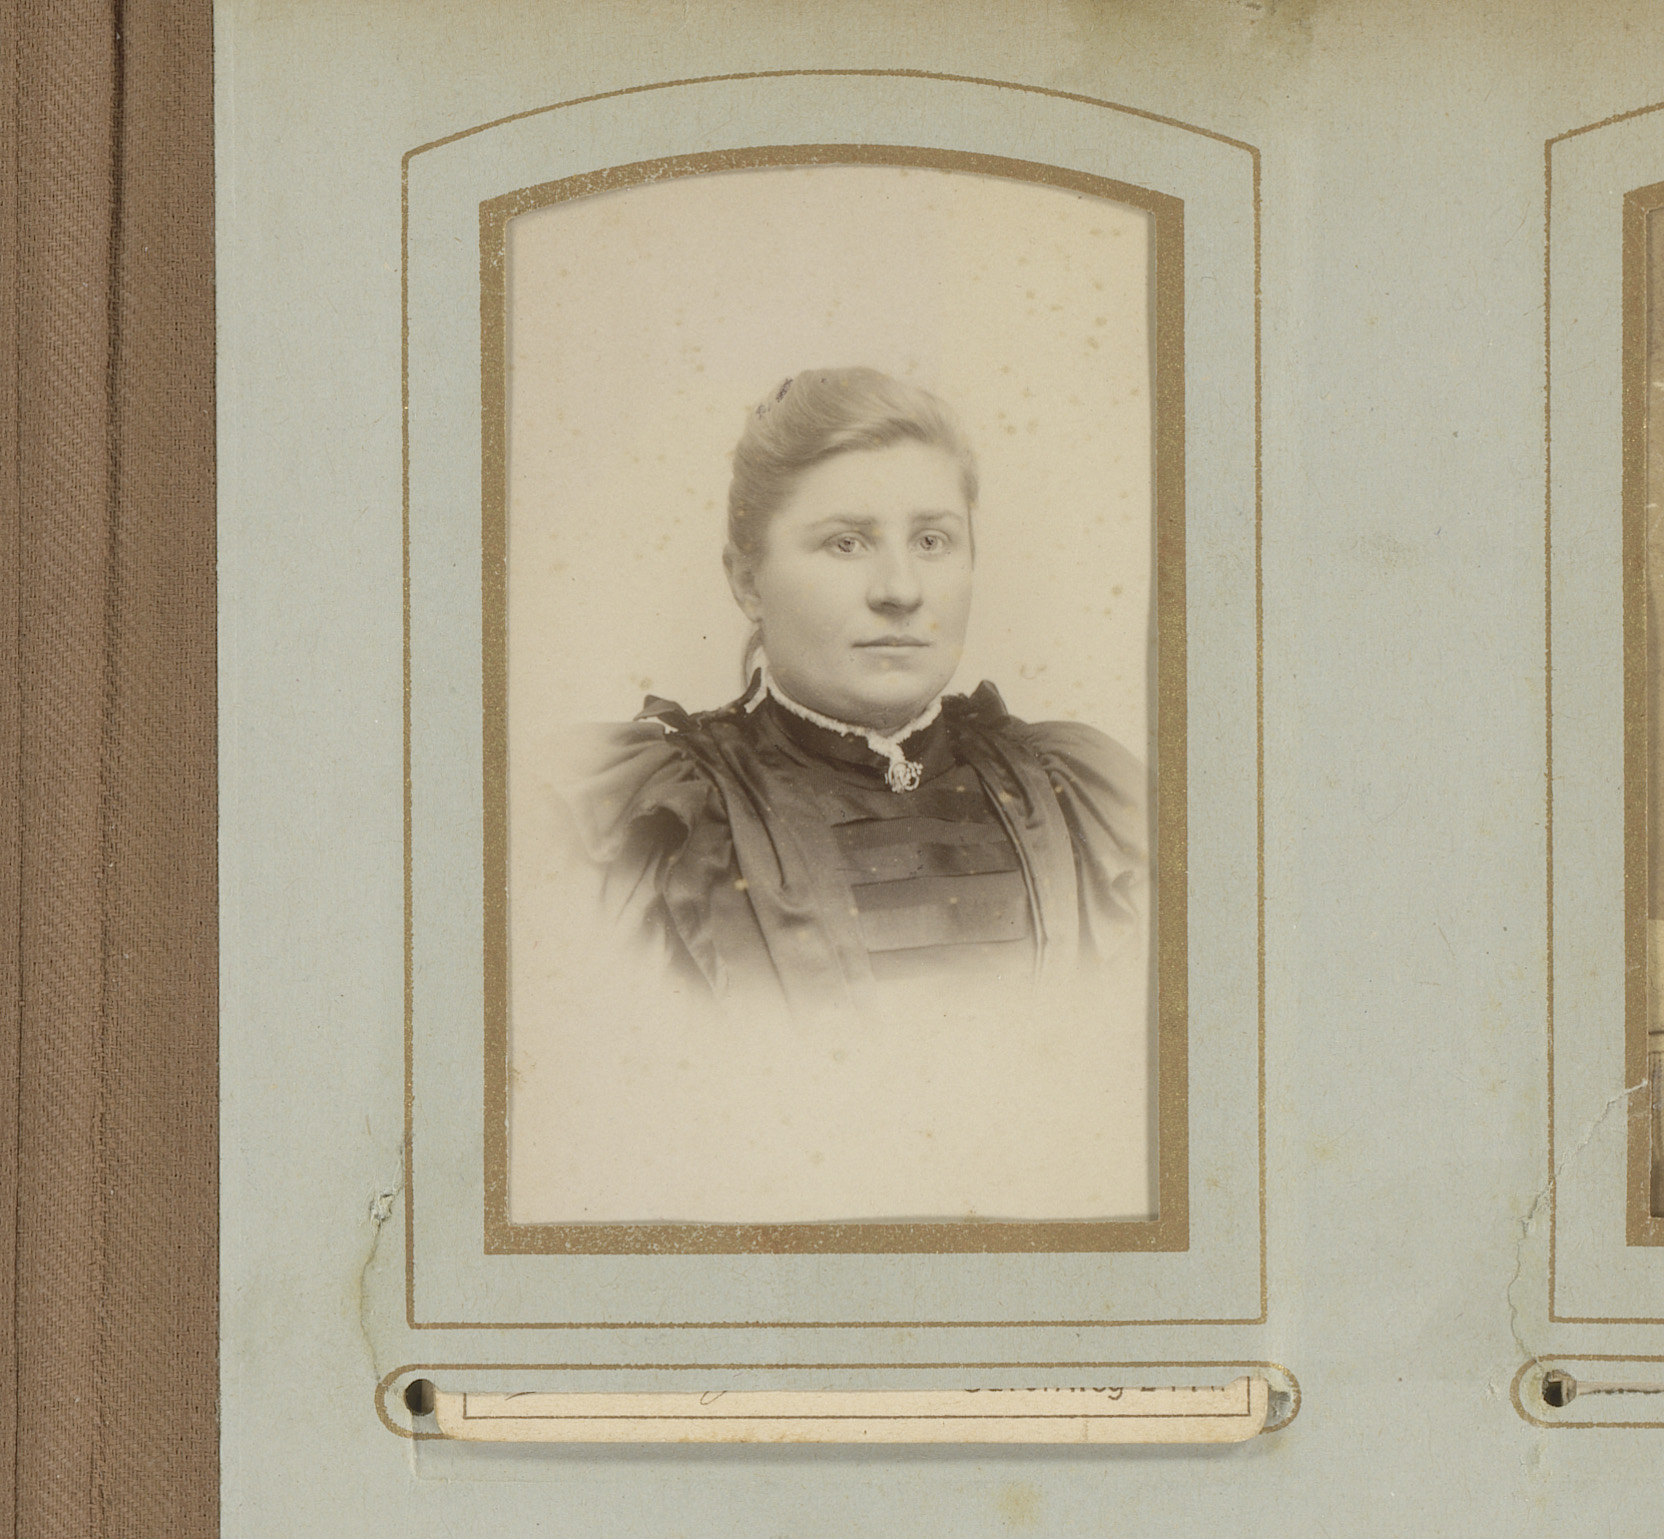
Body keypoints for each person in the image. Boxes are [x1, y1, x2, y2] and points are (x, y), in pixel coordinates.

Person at [555, 367, 1147, 1018]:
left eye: (932, 540)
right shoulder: (653, 821)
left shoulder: (1080, 800)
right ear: (748, 581)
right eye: (847, 542)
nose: (901, 590)